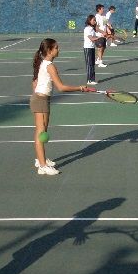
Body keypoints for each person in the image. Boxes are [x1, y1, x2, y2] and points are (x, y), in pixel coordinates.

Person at [31, 38, 88, 175]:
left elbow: (34, 82)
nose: (58, 50)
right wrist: (80, 88)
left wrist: (38, 94)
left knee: (42, 131)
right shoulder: (50, 66)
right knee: (41, 133)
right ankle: (42, 165)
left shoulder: (42, 63)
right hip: (40, 100)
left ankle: (40, 159)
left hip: (41, 99)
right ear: (50, 50)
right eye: (56, 48)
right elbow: (61, 87)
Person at [83, 15, 100, 86]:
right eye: (93, 20)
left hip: (92, 48)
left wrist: (100, 37)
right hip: (87, 48)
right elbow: (91, 38)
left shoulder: (92, 29)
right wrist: (99, 37)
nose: (95, 21)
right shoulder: (87, 29)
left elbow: (94, 37)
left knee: (92, 64)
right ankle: (89, 80)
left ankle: (92, 79)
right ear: (89, 20)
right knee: (89, 64)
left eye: (95, 20)